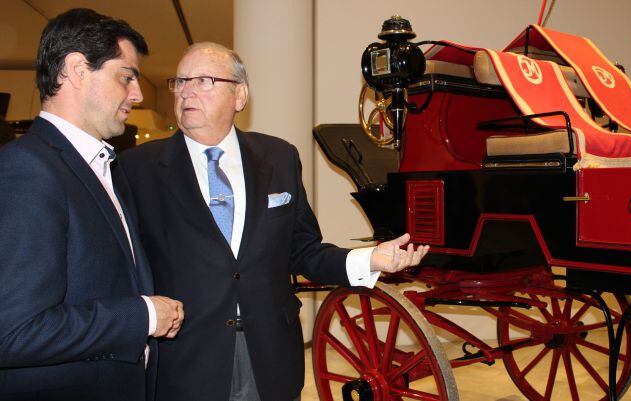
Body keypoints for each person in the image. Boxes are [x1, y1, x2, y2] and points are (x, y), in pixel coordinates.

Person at [119, 42, 429, 401]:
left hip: (270, 354)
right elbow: (124, 266)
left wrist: (370, 259)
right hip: (184, 360)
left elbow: (304, 250)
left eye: (203, 80)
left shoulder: (279, 157)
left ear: (240, 95)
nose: (186, 91)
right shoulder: (136, 169)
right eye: (181, 81)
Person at [0, 9, 184, 401]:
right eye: (126, 76)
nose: (136, 94)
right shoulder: (28, 169)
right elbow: (14, 331)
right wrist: (144, 315)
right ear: (77, 69)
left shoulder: (103, 167)